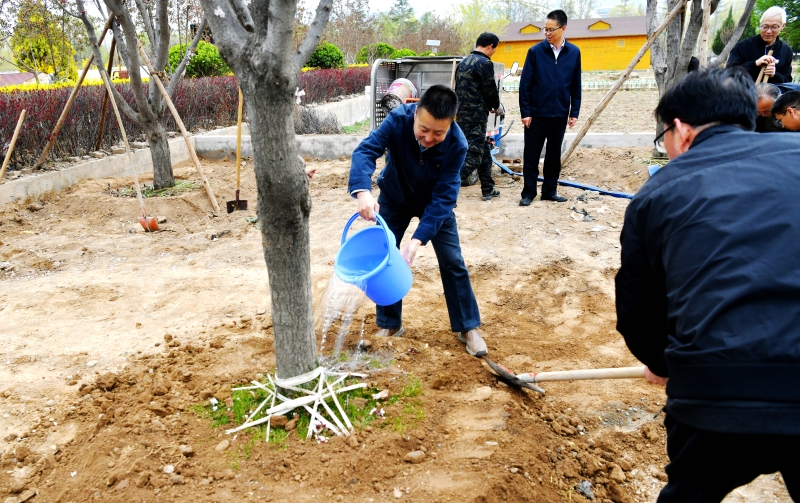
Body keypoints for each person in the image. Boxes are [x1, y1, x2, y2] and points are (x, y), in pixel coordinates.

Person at [615, 67, 800, 502]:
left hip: (715, 393)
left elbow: (639, 311)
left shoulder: (657, 194)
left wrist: (661, 362)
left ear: (681, 130)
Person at [347, 84, 488, 357]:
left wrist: (417, 240)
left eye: (438, 133)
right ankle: (390, 323)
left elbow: (445, 197)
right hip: (395, 197)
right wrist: (362, 191)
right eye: (424, 129)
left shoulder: (457, 144)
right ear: (415, 114)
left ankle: (467, 327)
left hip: (434, 204)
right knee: (385, 255)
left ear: (450, 124)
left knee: (452, 260)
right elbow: (365, 151)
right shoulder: (397, 120)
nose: (429, 138)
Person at [518, 9, 581, 206]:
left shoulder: (574, 53)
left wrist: (574, 112)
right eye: (545, 29)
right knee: (531, 155)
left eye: (551, 29)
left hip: (560, 114)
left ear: (563, 28)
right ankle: (528, 193)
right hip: (536, 114)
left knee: (554, 156)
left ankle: (549, 191)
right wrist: (526, 112)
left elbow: (575, 84)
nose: (547, 33)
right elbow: (525, 84)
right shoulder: (535, 52)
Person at [454, 32, 502, 201]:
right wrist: (496, 106)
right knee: (474, 156)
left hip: (462, 115)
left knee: (484, 151)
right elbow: (490, 90)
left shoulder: (463, 62)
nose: (493, 52)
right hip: (476, 117)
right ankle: (443, 188)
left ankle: (488, 188)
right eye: (494, 49)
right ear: (490, 46)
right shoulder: (484, 63)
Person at [727, 6, 793, 83]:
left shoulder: (786, 51)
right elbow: (728, 73)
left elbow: (787, 80)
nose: (768, 31)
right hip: (744, 89)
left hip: (773, 90)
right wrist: (755, 64)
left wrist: (774, 75)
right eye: (765, 27)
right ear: (760, 24)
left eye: (774, 27)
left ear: (783, 26)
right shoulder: (742, 46)